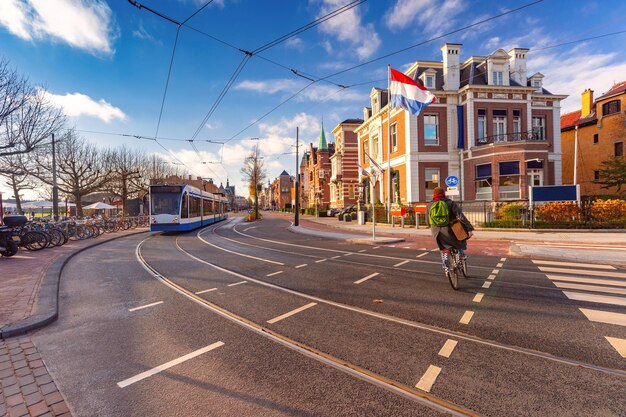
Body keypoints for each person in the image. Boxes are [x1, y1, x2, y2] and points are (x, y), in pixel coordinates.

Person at [426, 187, 474, 273]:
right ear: (444, 194)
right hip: (450, 229)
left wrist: (433, 226)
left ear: (434, 194)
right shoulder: (450, 203)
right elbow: (460, 216)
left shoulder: (430, 205)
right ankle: (460, 256)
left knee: (443, 248)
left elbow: (427, 221)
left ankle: (446, 264)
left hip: (436, 231)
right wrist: (469, 228)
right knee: (460, 239)